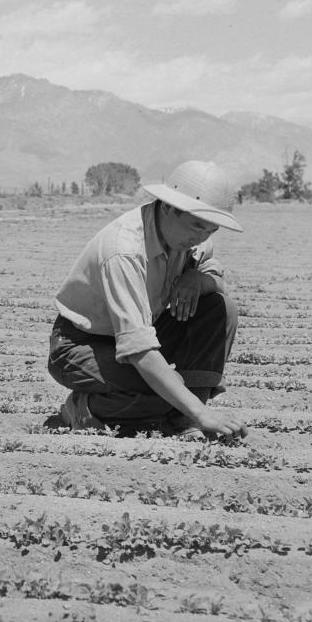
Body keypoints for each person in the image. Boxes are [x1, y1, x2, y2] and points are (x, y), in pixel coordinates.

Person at [47, 160, 247, 440]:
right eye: (197, 227)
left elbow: (216, 277)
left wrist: (198, 279)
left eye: (210, 231)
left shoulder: (191, 238)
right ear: (168, 208)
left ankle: (183, 416)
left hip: (138, 332)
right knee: (164, 386)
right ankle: (84, 407)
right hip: (81, 345)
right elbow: (139, 350)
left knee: (218, 307)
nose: (201, 238)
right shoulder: (124, 251)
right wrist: (202, 411)